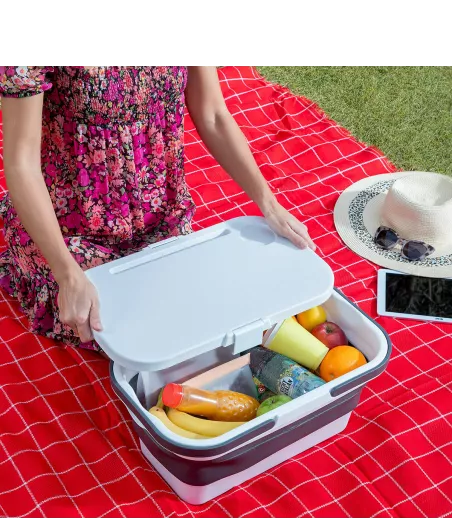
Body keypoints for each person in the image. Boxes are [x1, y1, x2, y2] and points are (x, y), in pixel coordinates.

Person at [0, 65, 315, 349]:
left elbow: (214, 116)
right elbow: (21, 164)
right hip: (69, 232)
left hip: (162, 219)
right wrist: (67, 274)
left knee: (198, 318)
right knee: (129, 331)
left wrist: (268, 203)